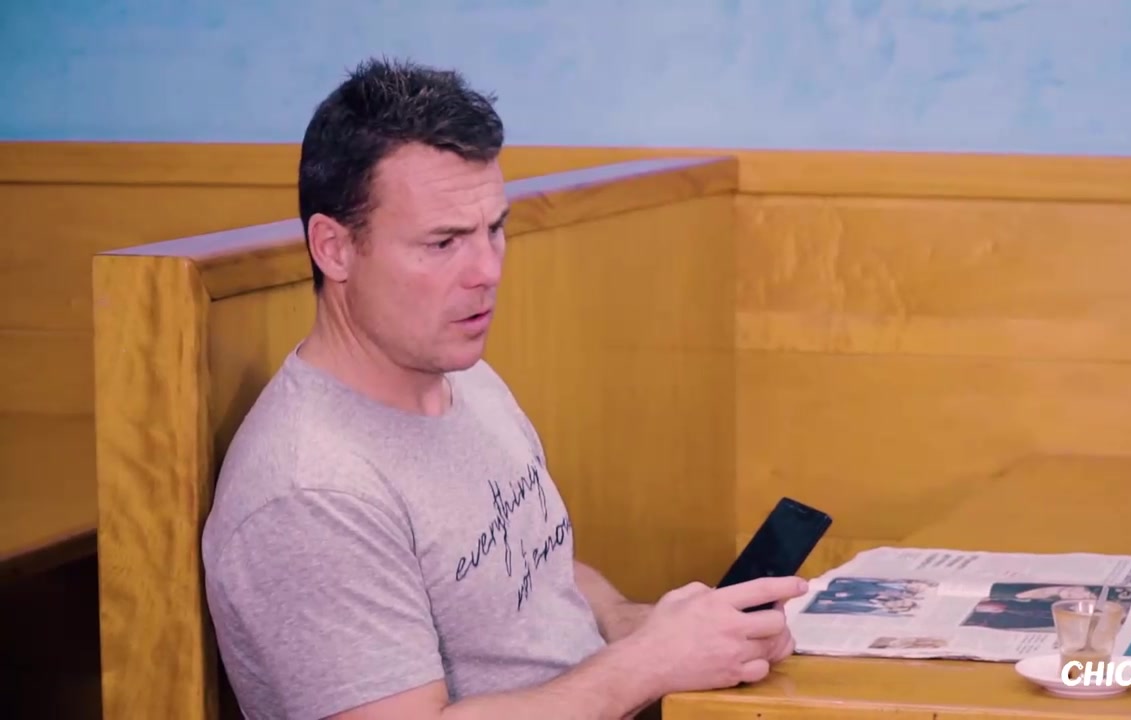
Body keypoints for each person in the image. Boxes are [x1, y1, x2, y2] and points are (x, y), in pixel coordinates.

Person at [200, 57, 808, 720]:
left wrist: (635, 624)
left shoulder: (462, 376)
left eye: (494, 229)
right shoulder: (311, 492)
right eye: (444, 243)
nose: (487, 270)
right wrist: (648, 664)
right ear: (334, 248)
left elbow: (529, 575)